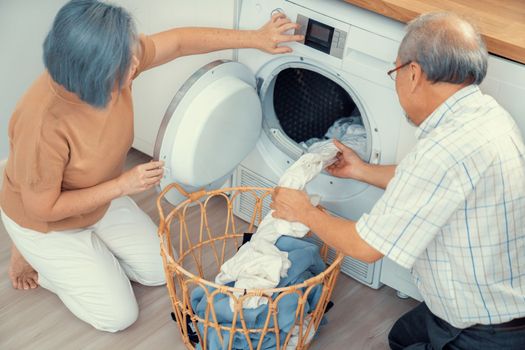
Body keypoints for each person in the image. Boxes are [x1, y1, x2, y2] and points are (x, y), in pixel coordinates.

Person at [0, 0, 303, 332]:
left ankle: (82, 257)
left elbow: (177, 42)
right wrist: (122, 186)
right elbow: (44, 206)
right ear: (94, 72)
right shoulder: (44, 124)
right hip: (44, 216)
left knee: (160, 272)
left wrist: (255, 37)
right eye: (126, 62)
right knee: (117, 316)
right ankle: (31, 249)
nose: (136, 63)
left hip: (94, 197)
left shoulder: (108, 65)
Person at [271, 12, 525, 349]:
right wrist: (361, 170)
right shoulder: (487, 115)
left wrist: (303, 211)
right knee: (401, 337)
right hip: (504, 300)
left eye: (394, 72)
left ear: (414, 73)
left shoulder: (443, 150)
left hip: (487, 328)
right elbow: (426, 183)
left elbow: (366, 247)